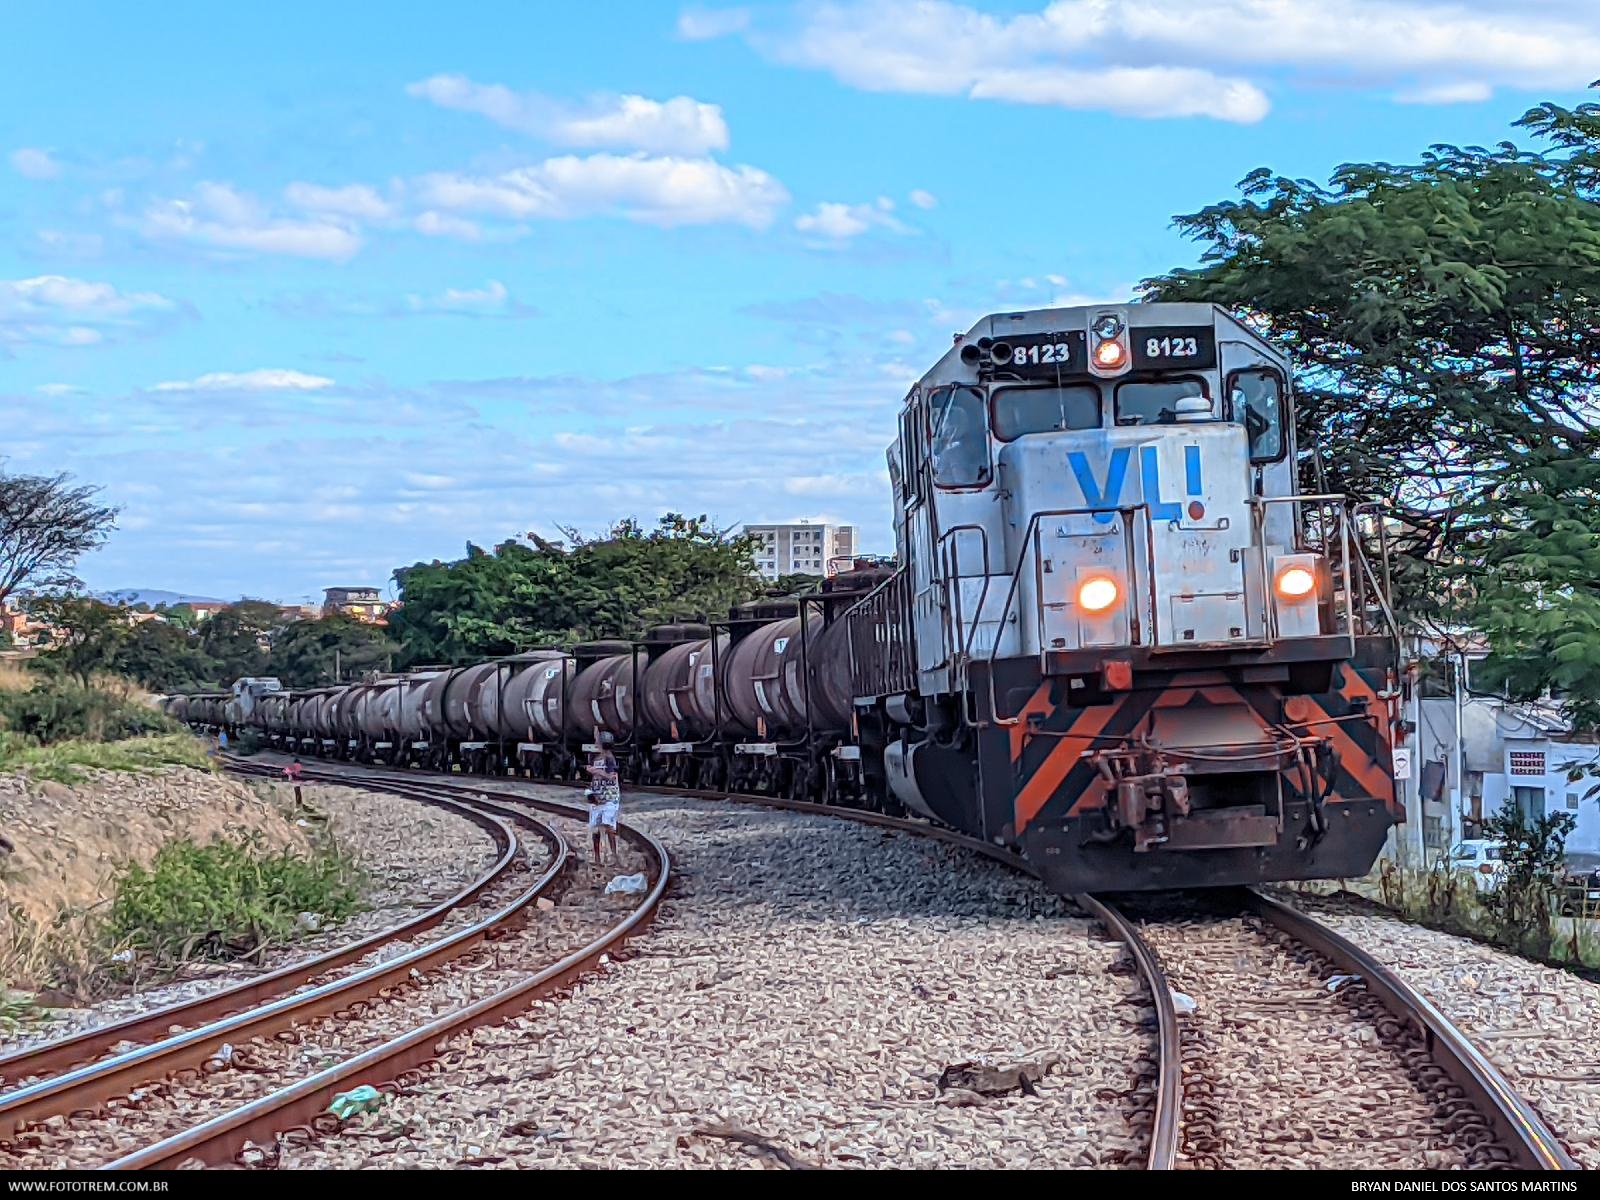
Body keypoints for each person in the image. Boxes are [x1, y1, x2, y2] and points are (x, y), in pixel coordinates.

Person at [584, 732, 621, 866]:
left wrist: (596, 771)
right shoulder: (596, 758)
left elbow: (611, 776)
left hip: (608, 797)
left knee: (608, 826)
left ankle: (613, 855)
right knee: (596, 828)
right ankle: (599, 858)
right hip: (598, 796)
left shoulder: (609, 759)